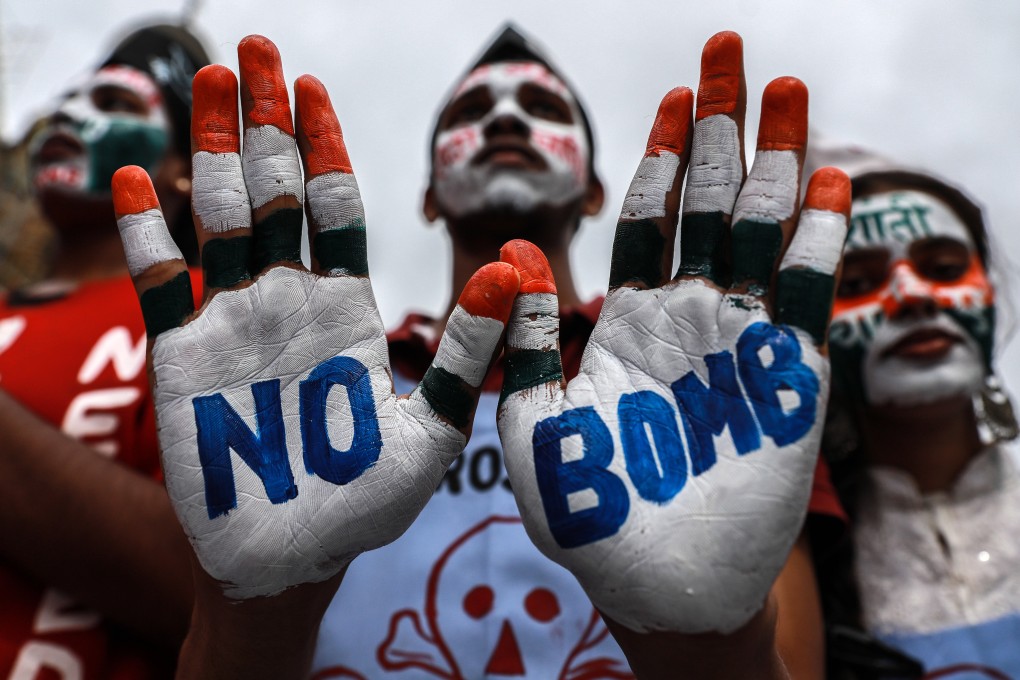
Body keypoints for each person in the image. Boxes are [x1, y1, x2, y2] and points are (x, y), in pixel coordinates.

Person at [114, 27, 853, 679]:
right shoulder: (280, 390)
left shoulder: (714, 386)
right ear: (429, 194)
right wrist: (255, 615)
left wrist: (709, 651)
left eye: (543, 109)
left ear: (595, 193)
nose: (505, 118)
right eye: (472, 113)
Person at [0, 23, 208, 678]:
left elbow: (214, 595)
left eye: (115, 105)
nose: (71, 113)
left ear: (183, 174)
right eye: (68, 98)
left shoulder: (208, 310)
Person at [811, 146, 1020, 678]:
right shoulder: (796, 570)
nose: (911, 294)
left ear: (993, 296)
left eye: (945, 269)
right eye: (856, 284)